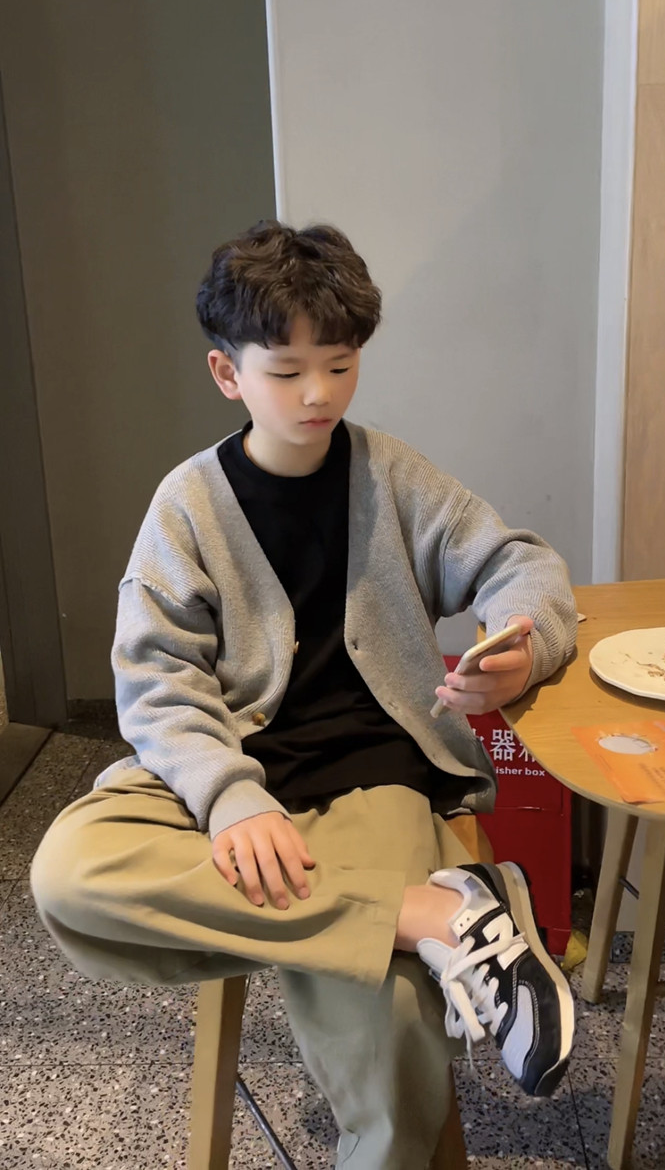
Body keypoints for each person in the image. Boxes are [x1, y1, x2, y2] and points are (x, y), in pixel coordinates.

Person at [31, 220, 578, 1169]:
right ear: (227, 373)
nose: (318, 392)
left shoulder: (393, 476)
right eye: (286, 371)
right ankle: (436, 913)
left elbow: (520, 564)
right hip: (228, 770)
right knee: (69, 875)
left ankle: (408, 924)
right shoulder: (187, 505)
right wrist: (229, 795)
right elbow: (155, 679)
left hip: (374, 775)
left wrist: (520, 651)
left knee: (397, 1028)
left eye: (340, 364)